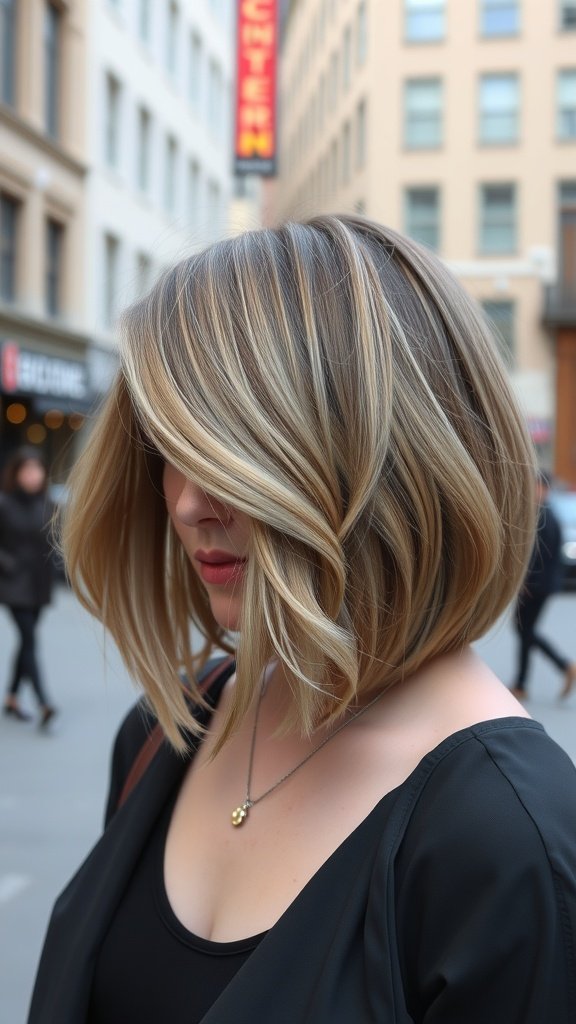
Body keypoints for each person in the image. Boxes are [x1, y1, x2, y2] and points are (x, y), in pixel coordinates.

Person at [28, 216, 576, 1023]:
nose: (186, 502)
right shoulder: (168, 729)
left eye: (235, 445)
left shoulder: (509, 841)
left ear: (389, 450)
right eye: (174, 444)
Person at [0, 446, 57, 726]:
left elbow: (55, 540)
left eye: (38, 470)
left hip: (39, 585)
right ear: (17, 473)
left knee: (26, 642)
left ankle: (11, 697)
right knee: (30, 641)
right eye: (28, 470)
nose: (33, 476)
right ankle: (44, 701)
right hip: (13, 585)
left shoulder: (48, 503)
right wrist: (8, 565)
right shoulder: (4, 503)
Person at [510, 471, 576, 701]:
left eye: (536, 486)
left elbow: (538, 556)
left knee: (524, 630)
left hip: (536, 586)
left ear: (544, 489)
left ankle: (562, 666)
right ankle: (522, 683)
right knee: (524, 631)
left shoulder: (544, 516)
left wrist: (526, 582)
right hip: (540, 585)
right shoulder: (546, 514)